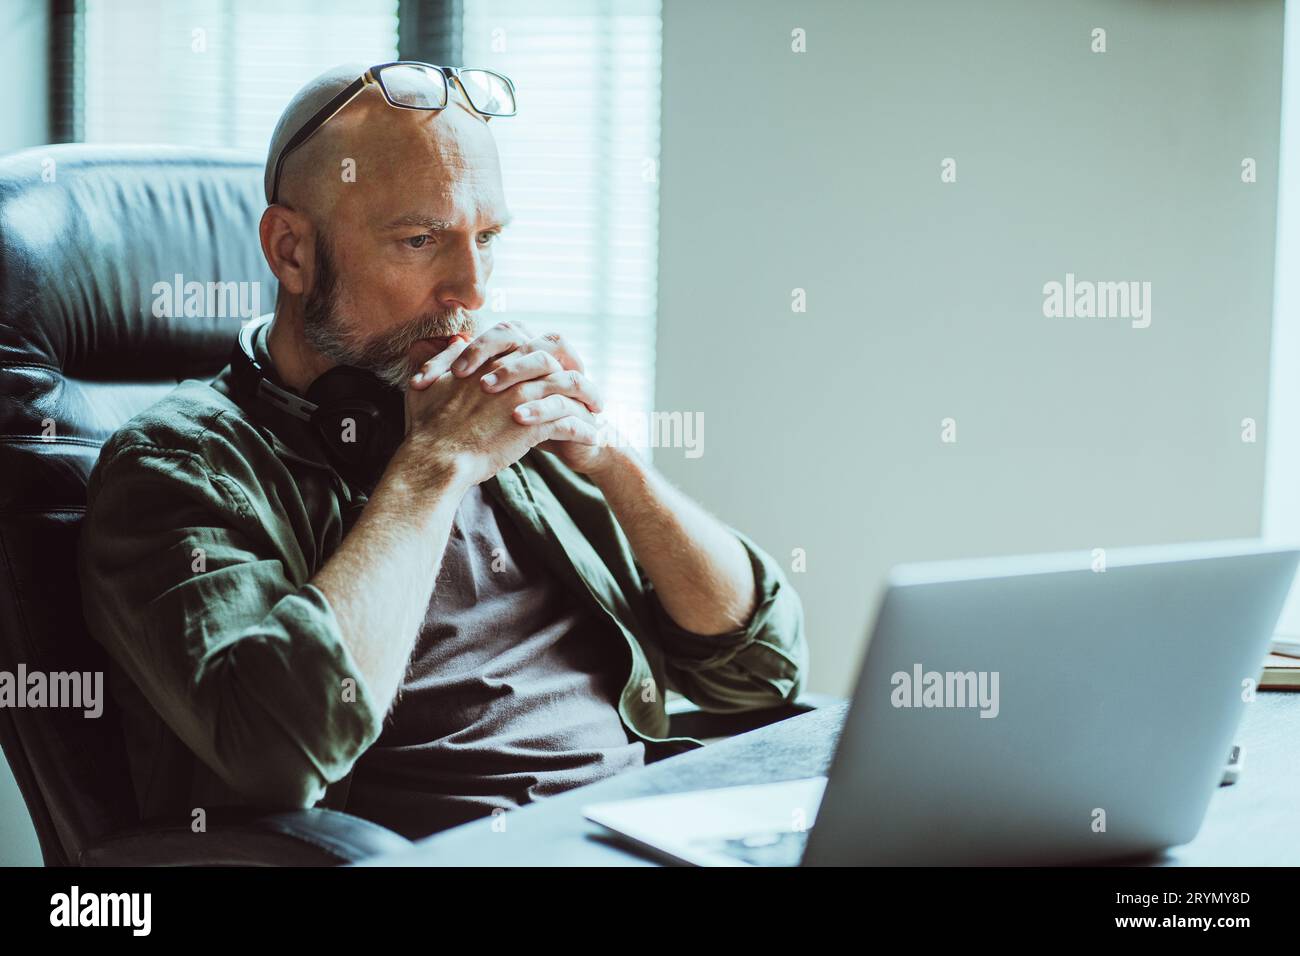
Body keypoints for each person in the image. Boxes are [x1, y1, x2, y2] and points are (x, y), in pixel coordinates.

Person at [77, 62, 807, 840]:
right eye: (421, 239)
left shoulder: (498, 417)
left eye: (486, 238)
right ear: (291, 251)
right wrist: (433, 469)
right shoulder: (179, 466)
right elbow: (278, 748)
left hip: (630, 832)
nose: (472, 288)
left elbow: (760, 670)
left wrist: (608, 461)